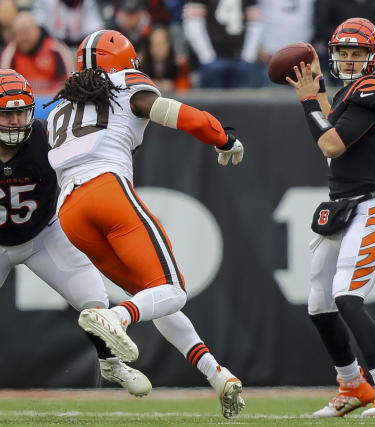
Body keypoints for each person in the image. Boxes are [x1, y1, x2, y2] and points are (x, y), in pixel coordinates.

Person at [44, 30, 245, 418]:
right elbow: (181, 115)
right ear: (122, 64)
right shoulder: (125, 84)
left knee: (157, 298)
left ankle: (217, 374)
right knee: (173, 290)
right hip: (107, 189)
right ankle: (115, 316)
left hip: (69, 210)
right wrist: (224, 139)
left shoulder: (59, 108)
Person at [286, 17, 375, 417]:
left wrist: (308, 102)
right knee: (319, 302)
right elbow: (331, 123)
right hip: (343, 207)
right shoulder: (351, 92)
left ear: (373, 57)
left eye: (357, 53)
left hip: (369, 208)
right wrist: (319, 94)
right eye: (343, 52)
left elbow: (331, 143)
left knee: (346, 296)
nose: (350, 60)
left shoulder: (373, 89)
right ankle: (353, 385)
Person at [0, 68, 151, 397]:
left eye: (20, 113)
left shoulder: (47, 136)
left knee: (94, 300)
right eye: (6, 115)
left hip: (44, 234)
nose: (14, 122)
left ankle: (110, 362)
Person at [0, 12, 73, 95]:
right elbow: (4, 88)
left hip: (53, 102)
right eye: (19, 33)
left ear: (37, 30)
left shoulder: (56, 49)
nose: (24, 37)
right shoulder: (10, 53)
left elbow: (68, 85)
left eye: (27, 31)